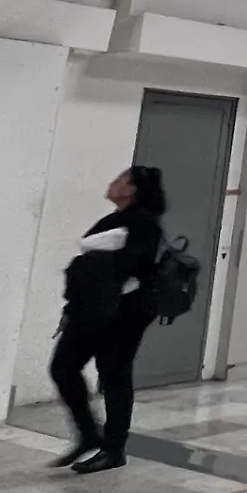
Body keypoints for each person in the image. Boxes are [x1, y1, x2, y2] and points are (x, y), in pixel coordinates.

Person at [50, 166, 165, 474]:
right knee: (63, 367)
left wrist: (97, 262)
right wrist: (71, 309)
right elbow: (88, 270)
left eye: (119, 180)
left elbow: (130, 266)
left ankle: (114, 449)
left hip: (125, 312)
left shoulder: (144, 223)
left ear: (133, 189)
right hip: (91, 310)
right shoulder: (113, 221)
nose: (112, 184)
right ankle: (89, 434)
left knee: (114, 375)